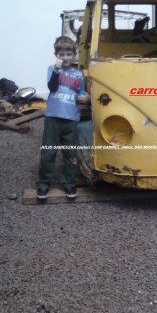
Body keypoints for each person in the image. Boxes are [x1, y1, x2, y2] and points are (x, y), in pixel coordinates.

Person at [36, 36, 90, 200]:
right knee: (48, 153)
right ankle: (44, 184)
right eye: (61, 55)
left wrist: (86, 97)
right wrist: (57, 71)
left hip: (71, 119)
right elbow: (51, 86)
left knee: (70, 154)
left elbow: (81, 92)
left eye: (68, 54)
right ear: (56, 55)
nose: (65, 58)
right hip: (53, 117)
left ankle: (68, 183)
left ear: (74, 55)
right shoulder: (52, 69)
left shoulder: (79, 75)